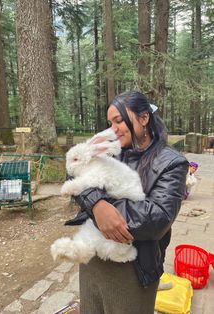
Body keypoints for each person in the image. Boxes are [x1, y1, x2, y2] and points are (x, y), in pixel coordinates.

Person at [67, 91, 189, 314]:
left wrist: (105, 206)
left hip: (134, 268)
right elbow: (74, 171)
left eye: (119, 120)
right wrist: (97, 205)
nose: (112, 128)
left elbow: (157, 219)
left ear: (144, 118)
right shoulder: (111, 150)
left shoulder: (172, 162)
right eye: (109, 122)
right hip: (93, 258)